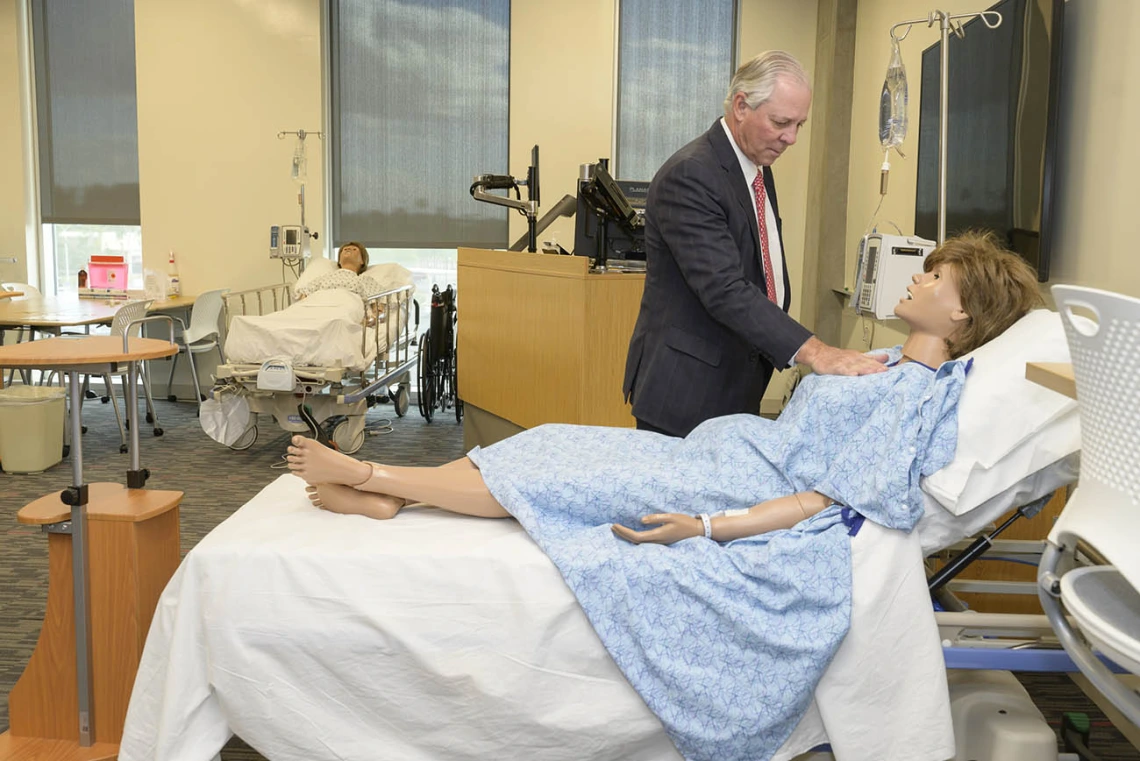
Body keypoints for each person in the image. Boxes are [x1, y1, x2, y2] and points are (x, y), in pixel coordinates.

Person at [284, 233, 1041, 760]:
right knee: (552, 442)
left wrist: (711, 527)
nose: (916, 274)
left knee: (556, 465)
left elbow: (828, 502)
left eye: (935, 277)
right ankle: (397, 495)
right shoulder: (876, 360)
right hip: (718, 453)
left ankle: (376, 480)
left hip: (733, 483)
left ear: (963, 315)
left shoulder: (914, 395)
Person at [622, 50, 890, 438]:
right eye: (781, 122)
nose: (791, 138)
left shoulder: (756, 165)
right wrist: (816, 351)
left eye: (799, 124)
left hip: (735, 379)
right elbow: (724, 288)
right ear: (741, 105)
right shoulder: (692, 174)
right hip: (687, 391)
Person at [294, 241, 384, 299]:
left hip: (346, 310)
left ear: (362, 261)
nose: (348, 249)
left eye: (354, 249)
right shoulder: (323, 278)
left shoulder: (365, 280)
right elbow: (304, 298)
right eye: (345, 249)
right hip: (320, 309)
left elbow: (379, 305)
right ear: (339, 261)